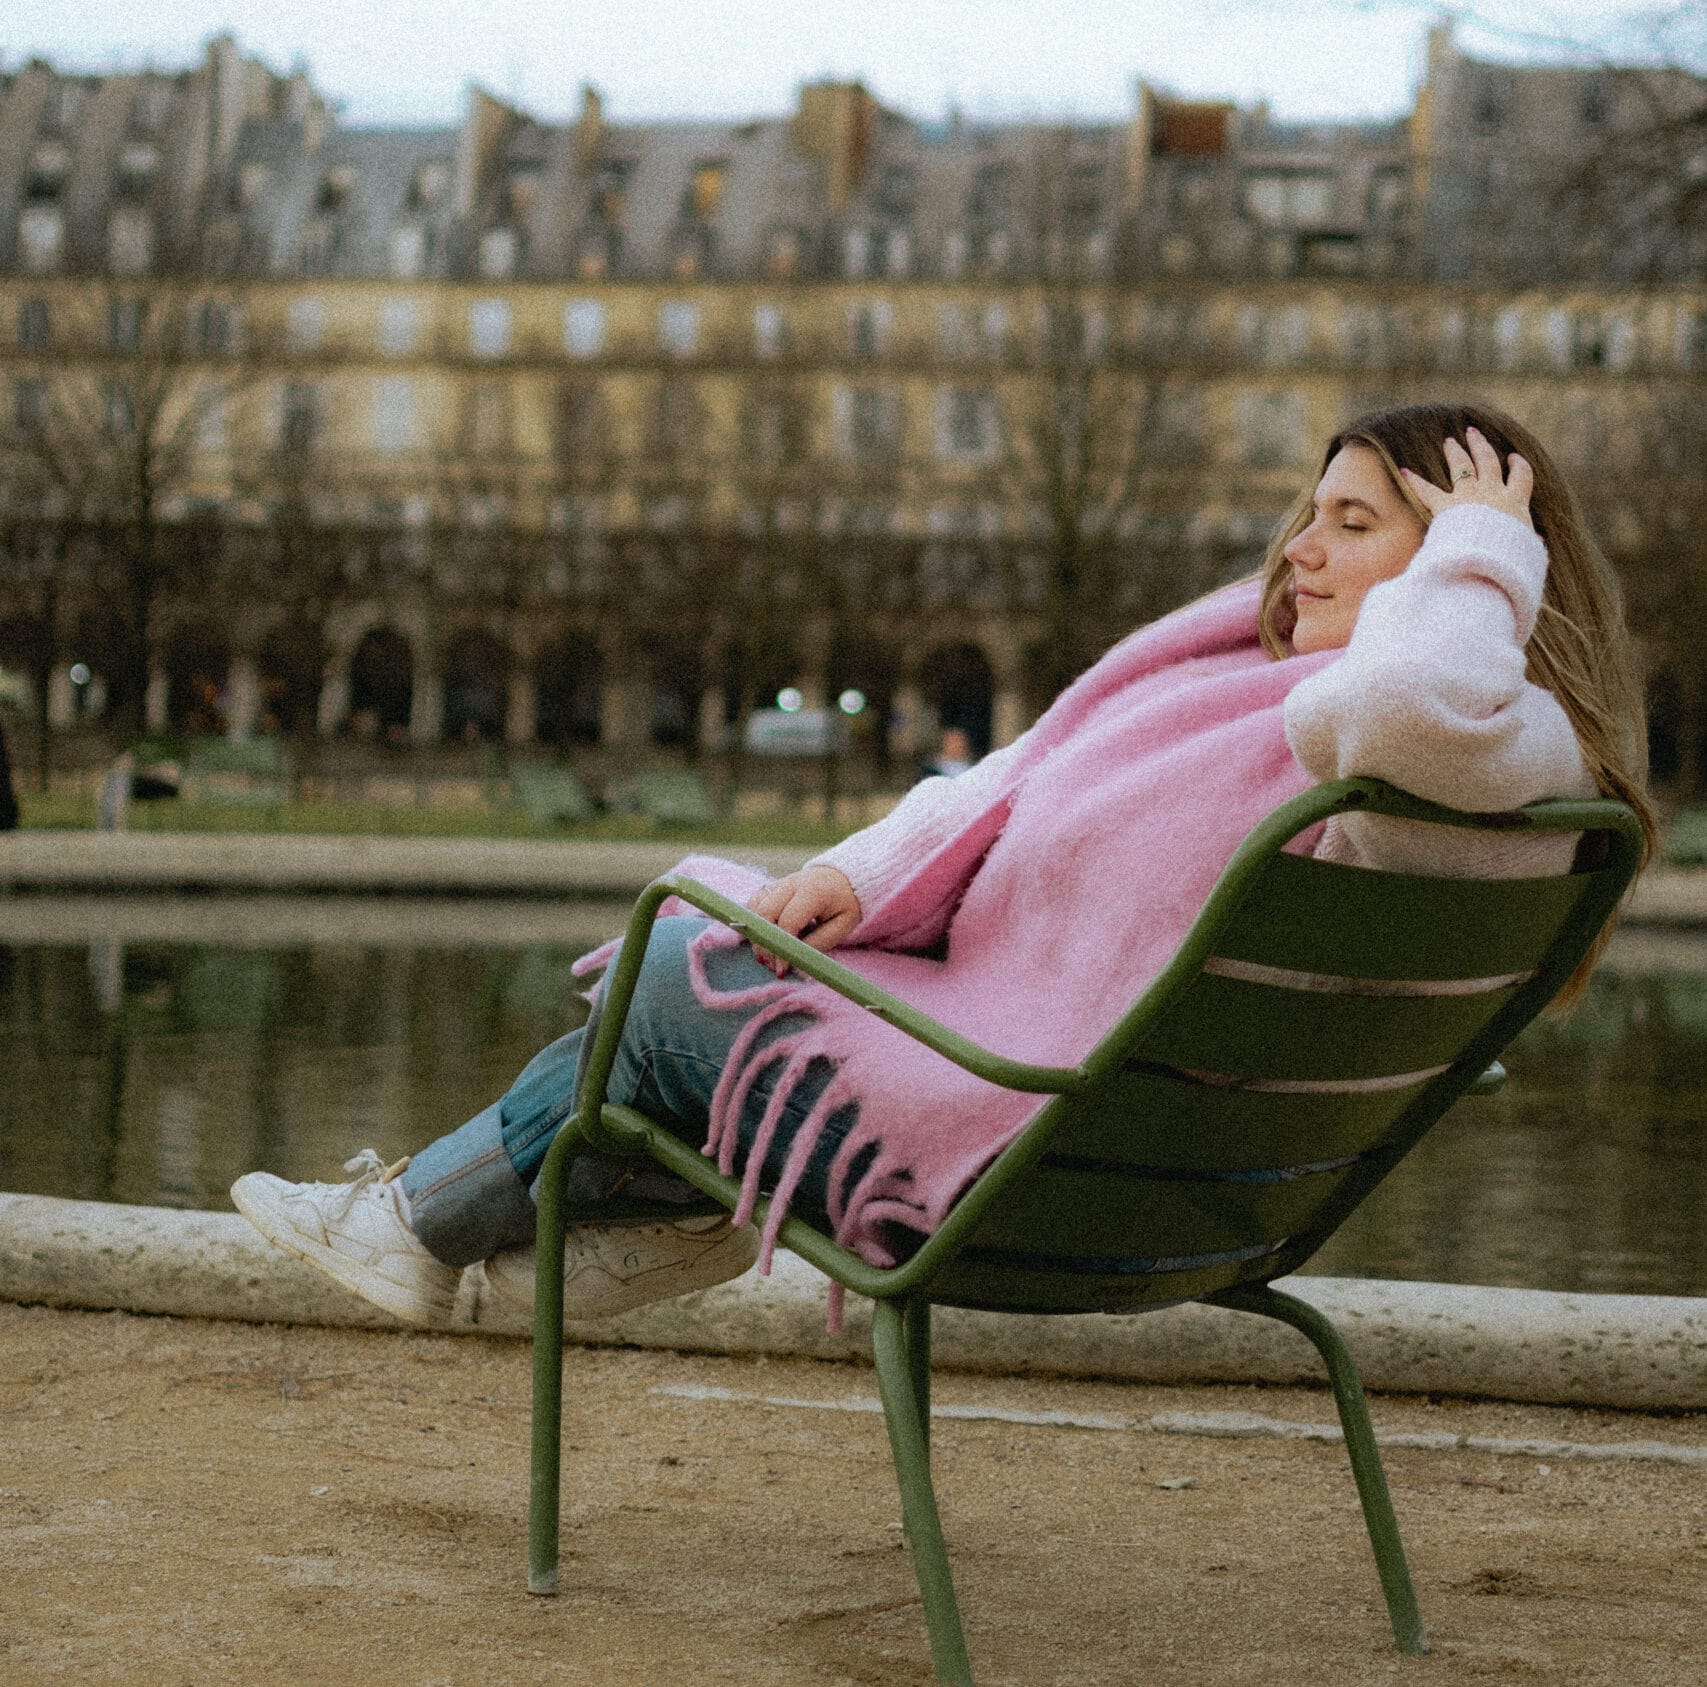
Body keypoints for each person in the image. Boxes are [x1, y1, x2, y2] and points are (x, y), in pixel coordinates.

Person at [232, 404, 1653, 1331]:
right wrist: (871, 874)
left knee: (683, 954)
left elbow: (1412, 702)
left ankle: (453, 1219)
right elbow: (1017, 777)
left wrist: (1481, 552)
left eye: (1357, 525)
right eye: (1311, 514)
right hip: (1186, 1184)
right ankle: (588, 1217)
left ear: (1487, 575)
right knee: (738, 942)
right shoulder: (1312, 715)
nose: (1299, 553)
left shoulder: (1475, 740)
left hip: (1047, 1174)